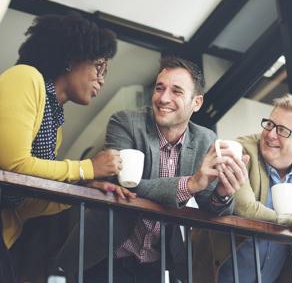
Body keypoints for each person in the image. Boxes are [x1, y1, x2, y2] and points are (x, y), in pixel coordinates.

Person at [56, 56, 249, 282]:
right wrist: (191, 184)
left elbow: (212, 206)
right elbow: (126, 185)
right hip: (104, 254)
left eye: (176, 91)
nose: (163, 98)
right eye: (160, 88)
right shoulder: (125, 122)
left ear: (196, 103)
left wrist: (223, 194)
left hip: (155, 263)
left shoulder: (206, 139)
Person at [0, 12, 135, 282]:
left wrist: (79, 190)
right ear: (70, 57)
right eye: (99, 66)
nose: (102, 79)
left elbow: (24, 202)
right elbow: (12, 165)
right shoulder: (24, 78)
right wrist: (87, 168)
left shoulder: (54, 121)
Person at [192, 94, 292, 283]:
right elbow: (246, 209)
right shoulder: (241, 149)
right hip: (218, 273)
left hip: (272, 277)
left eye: (282, 130)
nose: (270, 134)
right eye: (270, 124)